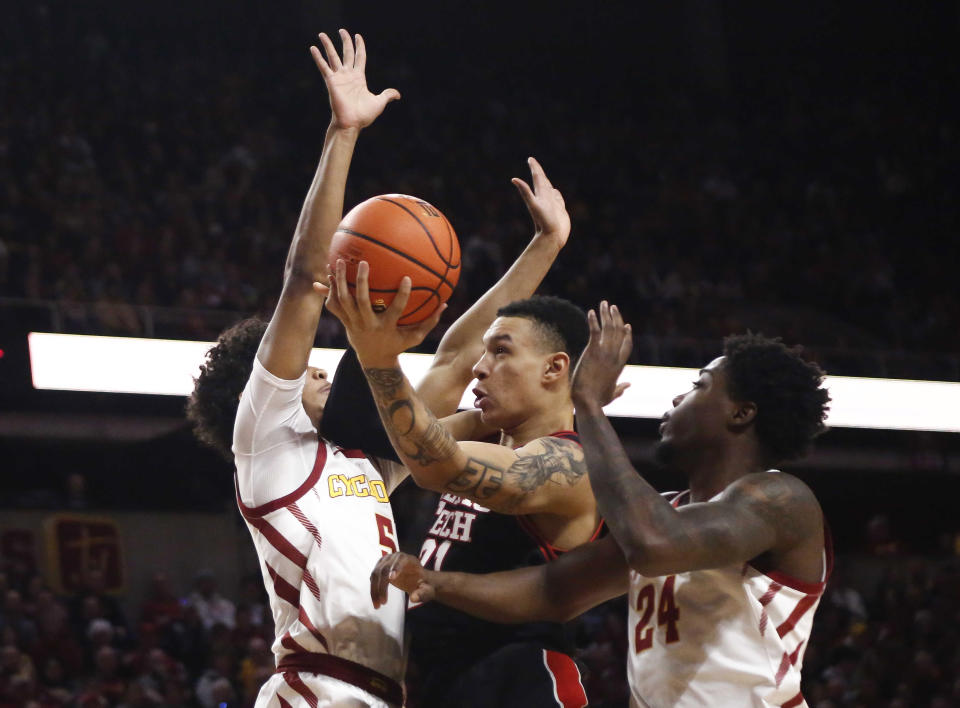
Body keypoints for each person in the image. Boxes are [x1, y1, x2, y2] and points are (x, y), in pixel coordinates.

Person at [186, 31, 577, 707]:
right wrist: (343, 133)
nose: (314, 372)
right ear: (256, 390)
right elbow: (307, 279)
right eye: (301, 368)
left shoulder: (366, 462)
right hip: (309, 690)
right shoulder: (267, 444)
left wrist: (545, 246)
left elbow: (456, 357)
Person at [371, 303, 833, 708]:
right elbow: (551, 591)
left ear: (742, 412)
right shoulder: (667, 513)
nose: (677, 397)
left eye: (699, 386)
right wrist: (433, 582)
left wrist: (587, 402)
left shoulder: (781, 499)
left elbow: (654, 546)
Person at [324, 263, 629, 703]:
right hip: (443, 684)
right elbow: (453, 359)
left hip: (521, 683)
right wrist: (545, 244)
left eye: (501, 352)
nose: (480, 369)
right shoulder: (482, 428)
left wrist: (379, 358)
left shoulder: (570, 460)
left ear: (553, 368)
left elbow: (437, 465)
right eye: (486, 353)